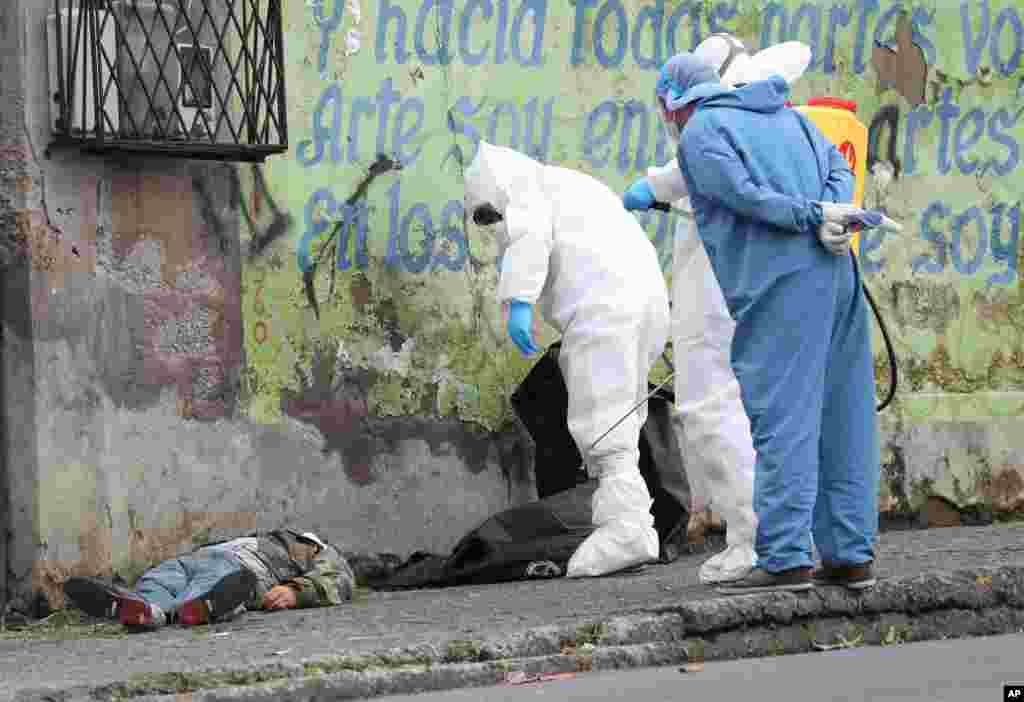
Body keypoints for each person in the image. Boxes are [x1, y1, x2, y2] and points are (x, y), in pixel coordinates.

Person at [649, 52, 881, 594]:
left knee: (784, 422)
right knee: (843, 414)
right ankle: (850, 554)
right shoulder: (790, 115)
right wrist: (834, 210)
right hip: (838, 272)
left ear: (671, 103)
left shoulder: (701, 133)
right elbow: (838, 168)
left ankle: (784, 559)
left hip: (781, 286)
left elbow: (746, 197)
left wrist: (809, 215)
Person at [623, 35, 812, 585]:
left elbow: (697, 163)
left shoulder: (718, 124)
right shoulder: (775, 116)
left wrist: (651, 185)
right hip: (763, 282)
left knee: (710, 407)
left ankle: (753, 536)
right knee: (766, 412)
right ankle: (785, 535)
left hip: (716, 285)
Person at [464, 141, 671, 578]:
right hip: (646, 306)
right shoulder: (572, 185)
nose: (492, 225)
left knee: (601, 421)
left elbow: (529, 237)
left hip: (604, 309)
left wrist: (518, 300)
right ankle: (630, 521)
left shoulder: (523, 189)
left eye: (489, 215)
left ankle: (627, 527)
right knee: (621, 414)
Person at [63, 529, 355, 629]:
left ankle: (194, 607)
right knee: (156, 579)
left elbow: (339, 576)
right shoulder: (258, 537)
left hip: (238, 567)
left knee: (216, 579)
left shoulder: (317, 551)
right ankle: (145, 609)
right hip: (193, 559)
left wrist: (297, 590)